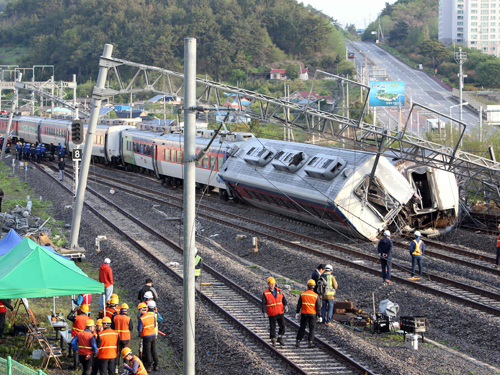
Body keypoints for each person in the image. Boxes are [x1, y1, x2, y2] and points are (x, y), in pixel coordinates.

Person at [261, 277, 287, 347]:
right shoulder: (266, 293)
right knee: (273, 327)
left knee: (283, 326)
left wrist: (286, 305)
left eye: (273, 284)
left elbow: (283, 298)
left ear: (275, 283)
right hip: (272, 313)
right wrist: (264, 312)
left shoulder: (279, 291)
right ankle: (273, 340)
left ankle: (280, 337)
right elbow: (263, 303)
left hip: (280, 312)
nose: (272, 285)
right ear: (268, 284)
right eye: (270, 284)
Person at [295, 279, 321, 348]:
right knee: (311, 329)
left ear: (307, 286)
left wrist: (297, 312)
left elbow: (299, 304)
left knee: (302, 327)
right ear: (314, 287)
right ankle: (310, 343)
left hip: (304, 313)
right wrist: (320, 316)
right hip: (313, 314)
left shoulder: (303, 294)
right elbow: (318, 307)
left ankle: (298, 341)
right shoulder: (316, 296)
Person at [138, 301, 158, 371]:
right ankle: (156, 365)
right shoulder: (152, 315)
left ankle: (148, 367)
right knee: (154, 350)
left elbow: (139, 330)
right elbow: (155, 325)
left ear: (141, 309)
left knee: (147, 351)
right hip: (153, 335)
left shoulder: (141, 319)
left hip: (146, 337)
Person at [112, 303, 133, 369]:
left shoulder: (115, 318)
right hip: (126, 339)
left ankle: (116, 368)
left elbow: (112, 327)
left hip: (117, 339)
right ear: (127, 310)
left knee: (117, 353)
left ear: (120, 310)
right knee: (126, 353)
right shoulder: (128, 319)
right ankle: (126, 369)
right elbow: (131, 328)